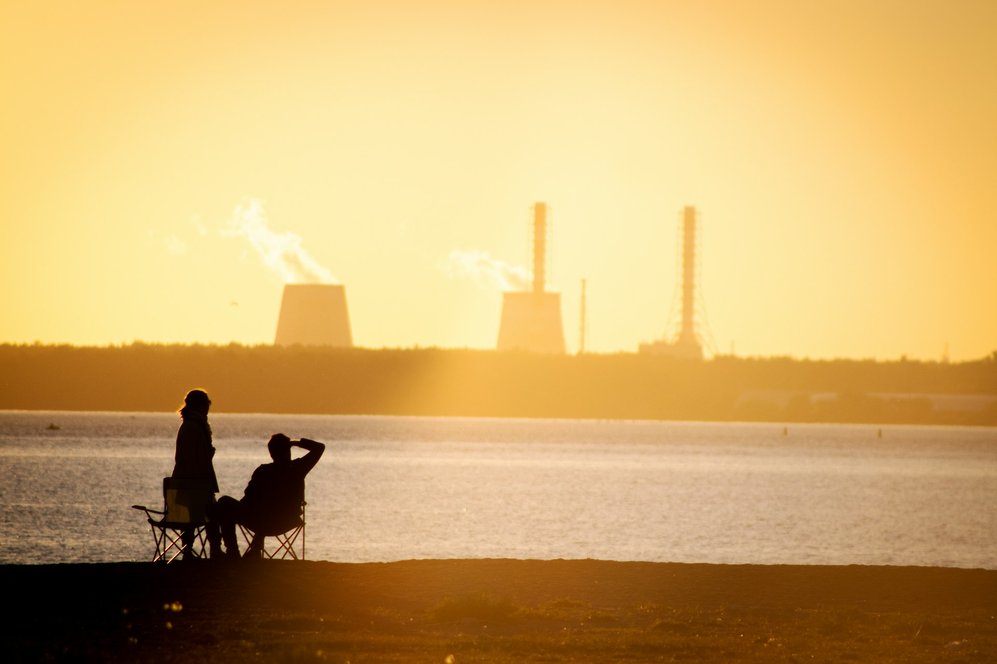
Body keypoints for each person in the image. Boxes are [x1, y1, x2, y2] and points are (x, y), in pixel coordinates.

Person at [215, 434, 325, 558]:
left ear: (271, 453)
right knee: (266, 509)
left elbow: (248, 498)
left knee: (224, 502)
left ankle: (233, 551)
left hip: (260, 522)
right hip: (287, 521)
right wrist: (295, 443)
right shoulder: (298, 468)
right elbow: (320, 448)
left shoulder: (263, 471)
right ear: (288, 450)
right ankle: (255, 549)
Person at [171, 388, 221, 558]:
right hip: (195, 484)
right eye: (207, 405)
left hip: (186, 484)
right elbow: (199, 458)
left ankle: (189, 550)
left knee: (197, 515)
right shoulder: (194, 427)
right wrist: (210, 453)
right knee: (213, 512)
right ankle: (215, 550)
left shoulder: (189, 425)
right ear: (201, 406)